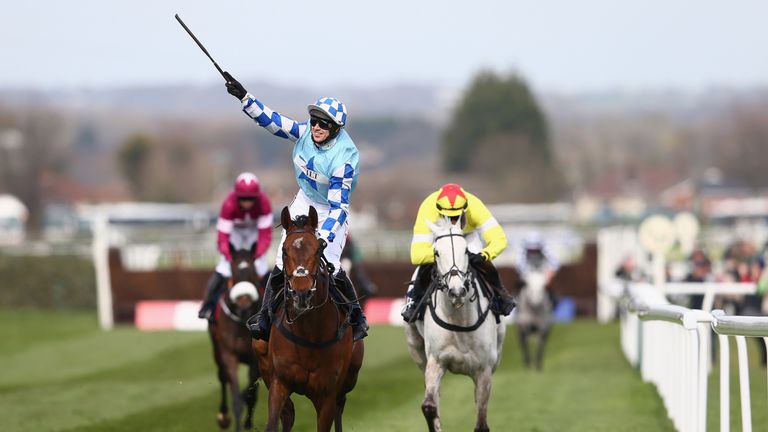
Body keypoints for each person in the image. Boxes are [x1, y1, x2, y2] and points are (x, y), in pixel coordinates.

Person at [223, 73, 369, 341]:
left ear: (336, 128)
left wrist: (322, 238)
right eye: (314, 121)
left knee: (332, 267)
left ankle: (358, 317)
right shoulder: (304, 132)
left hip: (330, 209)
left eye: (323, 124)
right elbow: (272, 121)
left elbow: (338, 207)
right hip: (305, 199)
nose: (316, 127)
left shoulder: (344, 159)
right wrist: (244, 97)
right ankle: (265, 317)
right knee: (281, 260)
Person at [401, 183, 516, 322]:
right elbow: (417, 255)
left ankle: (501, 295)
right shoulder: (428, 207)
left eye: (457, 216)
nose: (453, 221)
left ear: (465, 209)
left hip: (467, 237)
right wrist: (443, 254)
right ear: (439, 209)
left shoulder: (475, 205)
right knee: (424, 265)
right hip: (441, 239)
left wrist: (484, 255)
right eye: (449, 216)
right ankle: (414, 301)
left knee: (485, 263)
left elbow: (499, 240)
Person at [198, 172, 273, 320]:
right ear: (236, 196)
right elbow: (223, 236)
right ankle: (208, 306)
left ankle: (272, 306)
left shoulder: (264, 204)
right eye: (243, 199)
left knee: (261, 267)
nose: (247, 202)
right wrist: (227, 255)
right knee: (223, 268)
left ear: (257, 197)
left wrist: (258, 255)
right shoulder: (228, 204)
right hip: (235, 232)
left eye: (251, 199)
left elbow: (265, 235)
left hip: (254, 230)